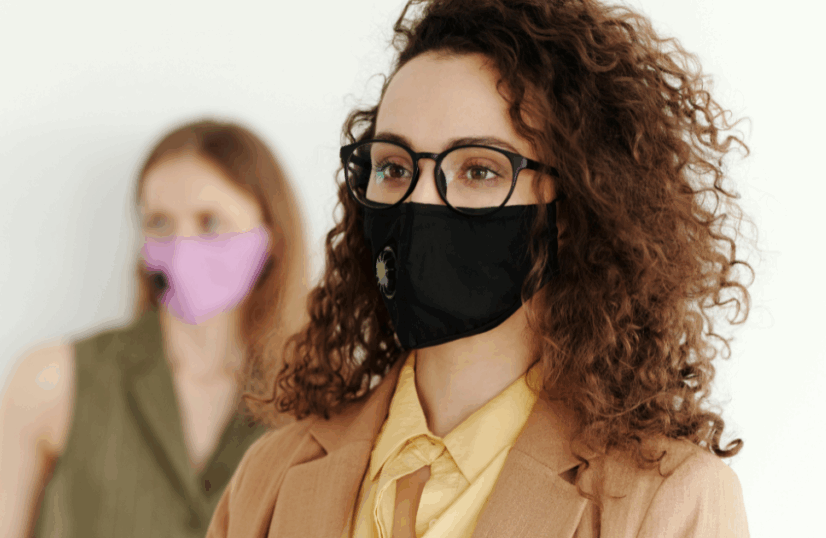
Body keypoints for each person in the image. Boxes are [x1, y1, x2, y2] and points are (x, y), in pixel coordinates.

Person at [206, 1, 752, 537]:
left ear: (573, 210)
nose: (419, 204)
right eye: (393, 166)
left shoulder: (668, 498)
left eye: (479, 170)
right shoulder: (270, 474)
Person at [0, 120, 309, 538]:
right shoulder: (52, 382)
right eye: (159, 223)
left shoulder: (319, 402)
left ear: (272, 236)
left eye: (210, 222)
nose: (182, 246)